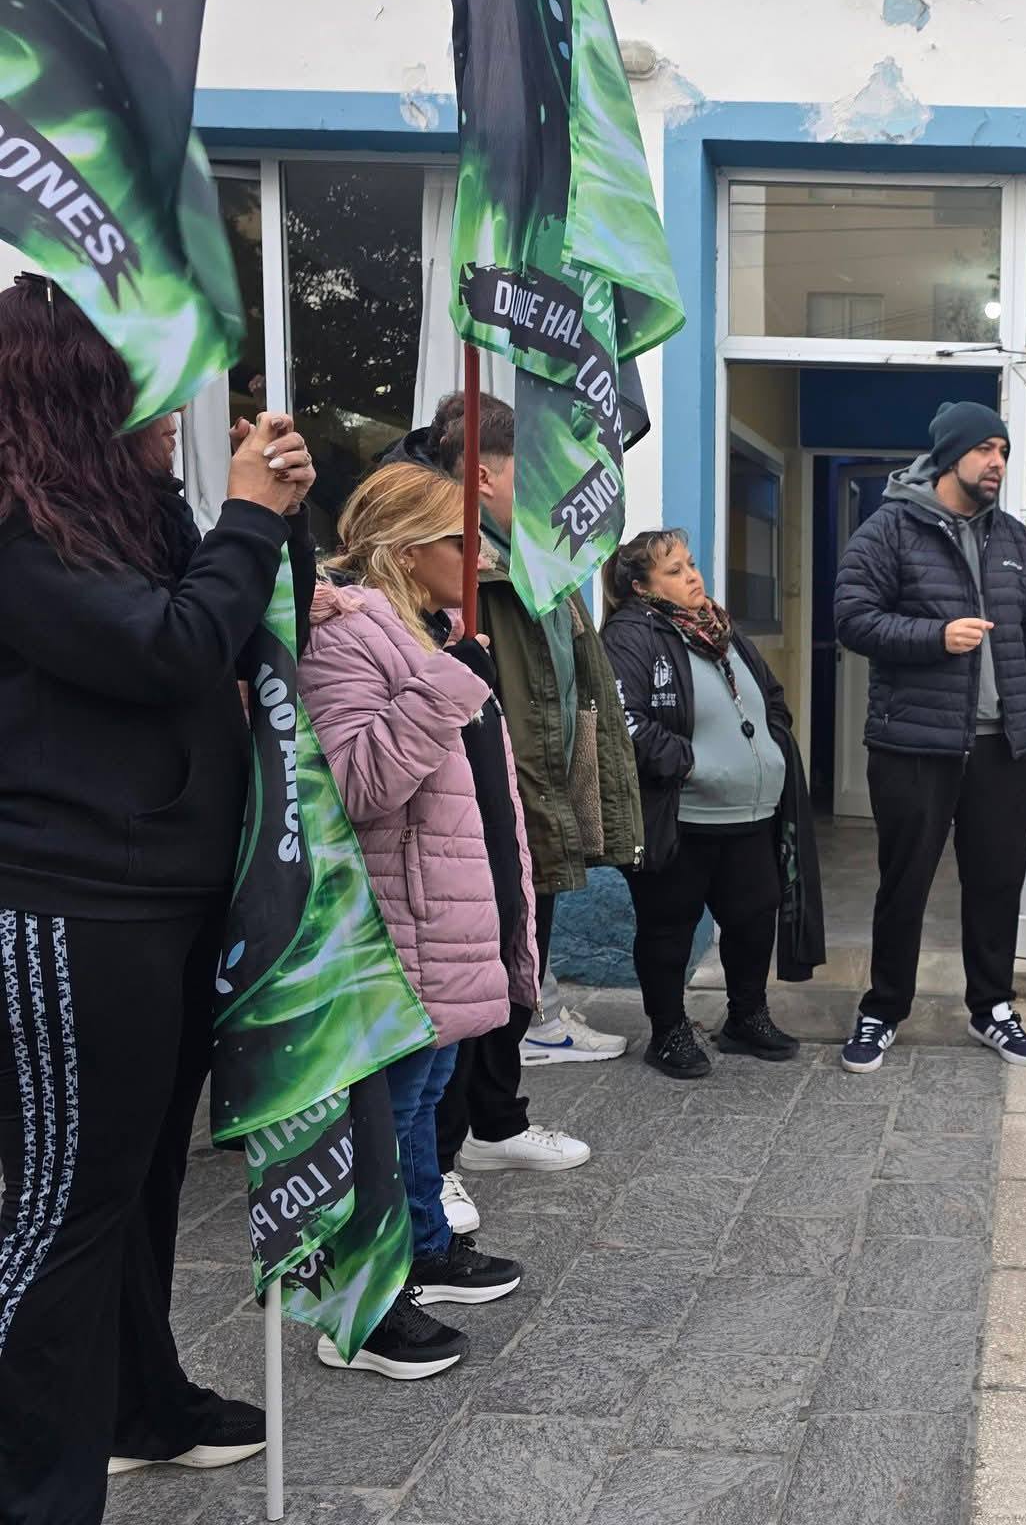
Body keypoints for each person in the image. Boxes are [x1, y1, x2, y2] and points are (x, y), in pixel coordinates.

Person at [0, 277, 312, 1518]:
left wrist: (273, 520)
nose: (174, 411)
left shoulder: (119, 509)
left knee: (137, 1190)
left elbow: (229, 622)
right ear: (77, 393)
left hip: (168, 895)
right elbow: (168, 649)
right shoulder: (18, 530)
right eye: (147, 387)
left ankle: (141, 1403)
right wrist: (243, 519)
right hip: (70, 904)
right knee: (64, 1210)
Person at [299, 463, 531, 1379]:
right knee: (387, 1112)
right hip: (398, 915)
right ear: (404, 550)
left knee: (428, 1097)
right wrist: (443, 686)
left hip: (449, 912)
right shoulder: (345, 636)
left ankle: (425, 1248)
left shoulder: (430, 632)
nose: (479, 557)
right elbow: (356, 785)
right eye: (460, 540)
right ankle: (362, 1307)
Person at [392, 394, 639, 1225]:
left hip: (541, 797)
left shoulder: (539, 555)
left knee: (514, 979)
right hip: (479, 806)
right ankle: (436, 1158)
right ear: (488, 479)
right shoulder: (445, 564)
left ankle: (496, 1124)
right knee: (465, 988)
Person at [833, 401, 1026, 1074]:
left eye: (1004, 451)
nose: (997, 462)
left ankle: (993, 1008)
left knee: (997, 884)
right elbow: (852, 618)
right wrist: (935, 636)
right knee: (905, 883)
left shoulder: (1014, 538)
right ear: (950, 455)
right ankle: (882, 1009)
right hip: (914, 744)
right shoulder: (890, 529)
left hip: (1004, 748)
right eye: (985, 448)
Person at [599, 531, 823, 1078]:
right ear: (641, 587)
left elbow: (771, 696)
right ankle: (668, 1032)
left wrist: (771, 746)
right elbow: (623, 721)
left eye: (691, 564)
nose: (692, 576)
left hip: (750, 814)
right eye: (674, 571)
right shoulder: (631, 634)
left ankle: (746, 1017)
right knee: (668, 928)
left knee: (754, 918)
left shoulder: (719, 627)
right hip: (682, 816)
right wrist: (692, 764)